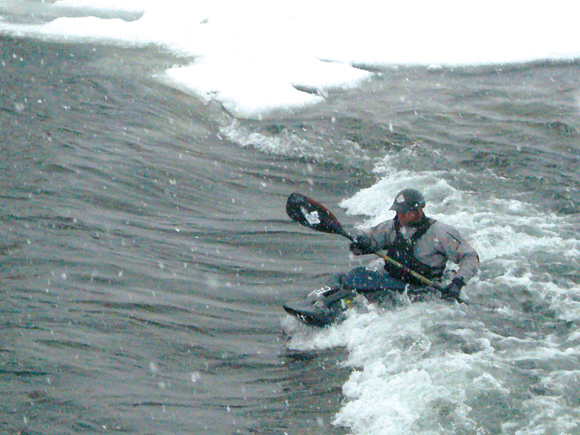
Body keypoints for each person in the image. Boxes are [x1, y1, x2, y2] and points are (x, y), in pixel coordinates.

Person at [284, 188, 479, 326]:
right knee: (345, 277)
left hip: (420, 287)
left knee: (357, 280)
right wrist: (360, 243)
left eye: (404, 212)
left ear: (419, 211)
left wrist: (458, 283)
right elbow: (368, 241)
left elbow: (469, 257)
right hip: (392, 278)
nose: (400, 216)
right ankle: (318, 302)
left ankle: (330, 311)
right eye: (398, 211)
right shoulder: (391, 227)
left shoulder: (441, 233)